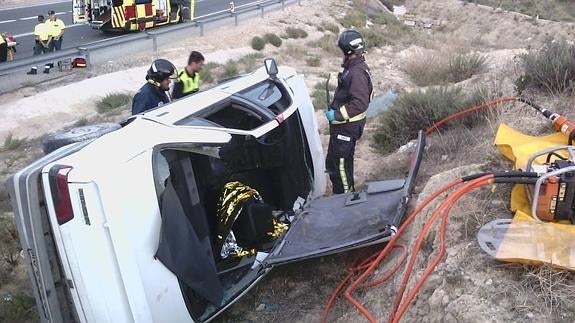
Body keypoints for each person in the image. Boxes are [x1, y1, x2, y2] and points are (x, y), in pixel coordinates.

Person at [325, 30, 373, 194]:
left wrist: (336, 115)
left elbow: (360, 103)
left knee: (341, 170)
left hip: (346, 128)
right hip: (343, 127)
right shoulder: (353, 68)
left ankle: (344, 201)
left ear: (348, 51)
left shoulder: (356, 73)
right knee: (335, 163)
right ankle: (343, 197)